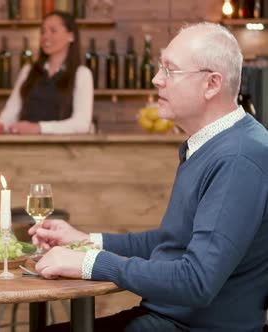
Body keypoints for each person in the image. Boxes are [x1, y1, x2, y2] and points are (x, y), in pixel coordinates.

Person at [30, 22, 268, 331]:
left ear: (211, 84)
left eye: (171, 71)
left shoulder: (238, 157)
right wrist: (88, 242)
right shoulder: (214, 145)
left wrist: (90, 263)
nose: (156, 80)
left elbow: (196, 281)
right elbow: (174, 242)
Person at [0, 11, 93, 135]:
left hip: (63, 150)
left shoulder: (82, 74)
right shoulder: (28, 71)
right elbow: (11, 111)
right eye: (43, 32)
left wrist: (39, 128)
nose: (46, 36)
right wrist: (0, 125)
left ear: (71, 36)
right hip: (23, 148)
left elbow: (81, 124)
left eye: (53, 31)